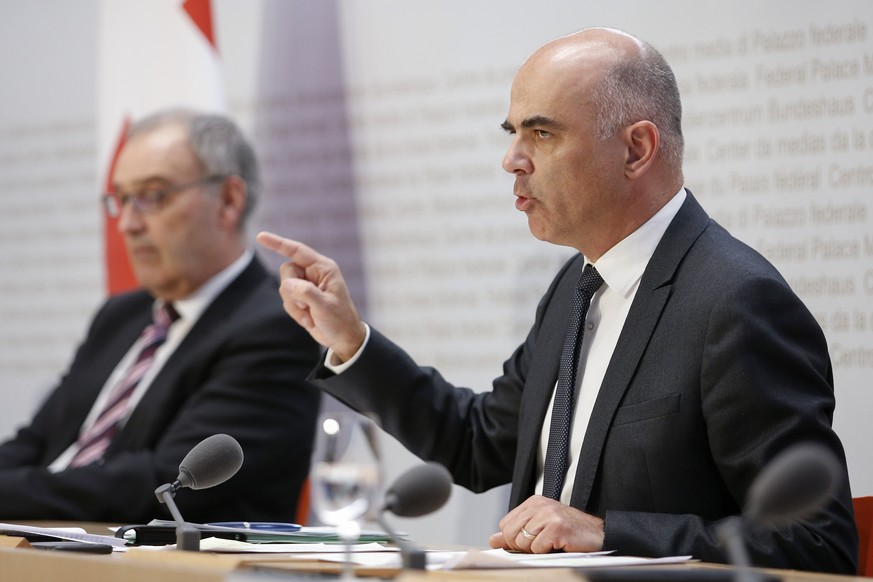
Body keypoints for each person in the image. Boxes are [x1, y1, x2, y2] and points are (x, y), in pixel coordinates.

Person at [257, 28, 858, 573]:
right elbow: (479, 444)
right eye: (513, 133)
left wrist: (606, 532)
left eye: (541, 133)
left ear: (636, 149)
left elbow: (816, 544)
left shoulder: (735, 302)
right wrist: (350, 341)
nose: (512, 160)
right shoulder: (578, 283)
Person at [0, 109, 321, 524]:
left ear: (228, 201)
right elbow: (39, 442)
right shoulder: (121, 315)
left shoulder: (275, 329)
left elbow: (160, 486)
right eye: (121, 199)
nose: (129, 224)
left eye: (154, 196)